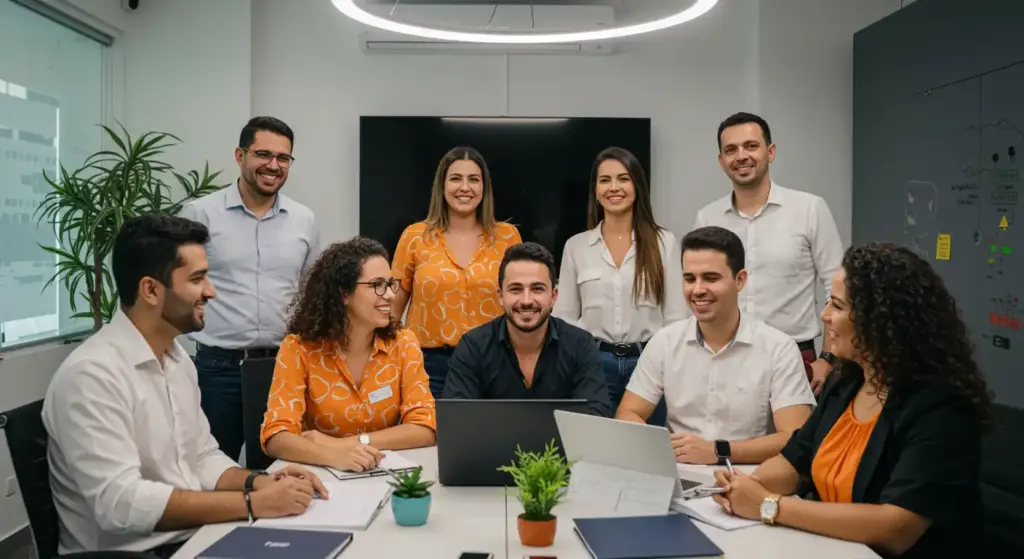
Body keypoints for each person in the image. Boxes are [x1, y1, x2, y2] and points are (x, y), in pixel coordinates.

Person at [41, 215, 327, 557]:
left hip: (192, 538)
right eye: (197, 279)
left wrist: (261, 482)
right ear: (150, 289)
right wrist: (253, 503)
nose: (211, 290)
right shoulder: (92, 376)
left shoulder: (176, 360)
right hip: (139, 552)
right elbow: (122, 505)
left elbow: (201, 456)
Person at [711, 242, 991, 559]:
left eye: (837, 306)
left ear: (882, 320)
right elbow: (795, 460)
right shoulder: (846, 382)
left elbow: (897, 528)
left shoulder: (942, 408)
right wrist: (745, 485)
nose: (825, 315)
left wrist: (769, 505)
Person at [178, 116, 321, 460]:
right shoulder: (200, 214)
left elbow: (312, 291)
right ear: (239, 156)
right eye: (263, 154)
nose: (273, 165)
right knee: (211, 469)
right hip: (217, 371)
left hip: (283, 370)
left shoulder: (304, 220)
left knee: (283, 472)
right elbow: (179, 286)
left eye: (283, 158)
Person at [615, 226, 814, 465]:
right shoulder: (665, 342)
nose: (698, 290)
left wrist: (719, 451)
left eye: (710, 278)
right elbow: (627, 413)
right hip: (681, 474)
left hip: (750, 478)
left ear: (740, 280)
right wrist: (663, 446)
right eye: (690, 279)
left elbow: (794, 438)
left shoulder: (778, 348)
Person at [693, 112, 843, 395]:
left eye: (751, 146)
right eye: (731, 150)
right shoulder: (707, 218)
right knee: (728, 440)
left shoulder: (809, 209)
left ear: (770, 152)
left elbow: (837, 288)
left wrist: (827, 358)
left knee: (795, 439)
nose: (741, 156)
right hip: (725, 357)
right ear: (721, 161)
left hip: (797, 358)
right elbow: (700, 291)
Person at [261, 237, 436, 472]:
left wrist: (345, 445)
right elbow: (276, 435)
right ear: (344, 293)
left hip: (382, 470)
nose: (391, 295)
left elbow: (425, 428)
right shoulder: (299, 348)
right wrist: (332, 456)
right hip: (319, 474)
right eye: (377, 285)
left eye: (390, 284)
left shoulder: (403, 344)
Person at [553, 147, 684, 426]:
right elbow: (563, 318)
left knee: (647, 453)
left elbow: (675, 318)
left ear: (637, 185)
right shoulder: (576, 246)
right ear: (596, 190)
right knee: (591, 448)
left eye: (623, 179)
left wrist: (665, 366)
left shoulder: (664, 243)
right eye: (605, 180)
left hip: (649, 365)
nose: (614, 187)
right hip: (593, 364)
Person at [390, 146, 522, 398]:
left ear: (484, 187)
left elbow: (520, 303)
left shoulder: (508, 237)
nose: (465, 187)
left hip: (493, 363)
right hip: (428, 367)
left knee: (490, 437)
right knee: (428, 437)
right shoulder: (414, 236)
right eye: (455, 178)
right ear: (442, 186)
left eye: (474, 179)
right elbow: (391, 311)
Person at [441, 242, 612, 417]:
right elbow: (456, 419)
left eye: (537, 289)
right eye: (516, 289)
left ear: (553, 297)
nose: (526, 300)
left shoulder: (580, 344)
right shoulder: (473, 346)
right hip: (494, 446)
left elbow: (596, 416)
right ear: (500, 296)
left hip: (564, 446)